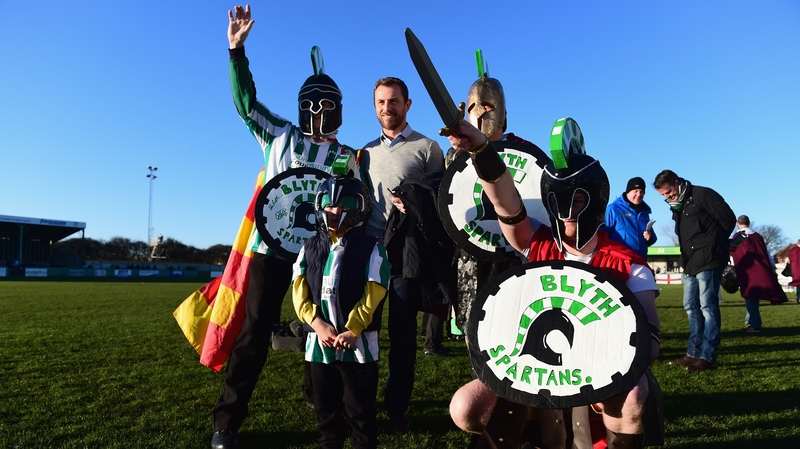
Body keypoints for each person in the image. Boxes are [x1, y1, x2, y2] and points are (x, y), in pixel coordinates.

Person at [447, 119, 661, 448]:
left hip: (601, 371)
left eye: (576, 200)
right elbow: (505, 203)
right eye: (559, 199)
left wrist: (600, 377)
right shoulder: (538, 242)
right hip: (536, 368)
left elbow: (651, 341)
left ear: (596, 198)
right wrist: (480, 148)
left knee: (633, 392)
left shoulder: (628, 263)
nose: (567, 210)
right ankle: (535, 437)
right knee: (466, 407)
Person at [211, 6, 358, 448]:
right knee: (254, 335)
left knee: (324, 333)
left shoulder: (347, 157)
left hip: (319, 259)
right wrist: (237, 52)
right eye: (311, 104)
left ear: (339, 110)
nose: (318, 112)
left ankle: (323, 407)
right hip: (270, 251)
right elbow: (245, 104)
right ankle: (226, 423)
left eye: (326, 105)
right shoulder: (279, 136)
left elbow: (355, 207)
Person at [360, 77, 449, 432]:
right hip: (367, 253)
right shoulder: (363, 153)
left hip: (406, 255)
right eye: (381, 102)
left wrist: (413, 199)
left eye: (394, 101)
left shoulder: (428, 148)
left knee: (401, 336)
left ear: (407, 105)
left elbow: (442, 197)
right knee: (363, 332)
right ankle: (361, 404)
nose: (387, 108)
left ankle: (397, 406)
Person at [292, 176, 390, 449]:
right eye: (328, 204)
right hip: (319, 344)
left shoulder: (373, 246)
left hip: (358, 346)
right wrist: (317, 324)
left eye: (343, 204)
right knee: (326, 410)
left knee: (360, 412)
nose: (334, 211)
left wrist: (354, 328)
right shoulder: (308, 246)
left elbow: (375, 291)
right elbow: (299, 289)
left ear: (359, 207)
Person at [447, 72, 535, 339]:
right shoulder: (454, 155)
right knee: (473, 329)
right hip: (471, 253)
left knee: (511, 326)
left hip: (511, 251)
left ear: (503, 112)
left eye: (489, 106)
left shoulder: (523, 150)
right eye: (474, 107)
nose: (482, 113)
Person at [654, 169, 735, 372]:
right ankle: (693, 353)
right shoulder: (677, 207)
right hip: (690, 262)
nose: (667, 197)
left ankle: (708, 357)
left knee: (707, 306)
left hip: (709, 258)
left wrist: (715, 245)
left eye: (668, 192)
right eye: (663, 195)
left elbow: (728, 220)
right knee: (690, 305)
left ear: (677, 182)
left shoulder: (703, 195)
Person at [729, 215, 787, 332]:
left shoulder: (738, 237)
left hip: (747, 270)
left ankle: (754, 324)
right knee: (752, 297)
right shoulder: (757, 236)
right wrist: (772, 267)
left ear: (737, 223)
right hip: (761, 269)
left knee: (750, 296)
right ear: (749, 222)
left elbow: (733, 254)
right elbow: (766, 252)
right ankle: (752, 322)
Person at [604, 177, 657, 259]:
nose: (639, 194)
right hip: (619, 261)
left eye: (641, 191)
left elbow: (652, 238)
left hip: (640, 261)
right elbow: (602, 235)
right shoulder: (613, 209)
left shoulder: (644, 212)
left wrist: (650, 237)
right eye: (635, 191)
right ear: (628, 192)